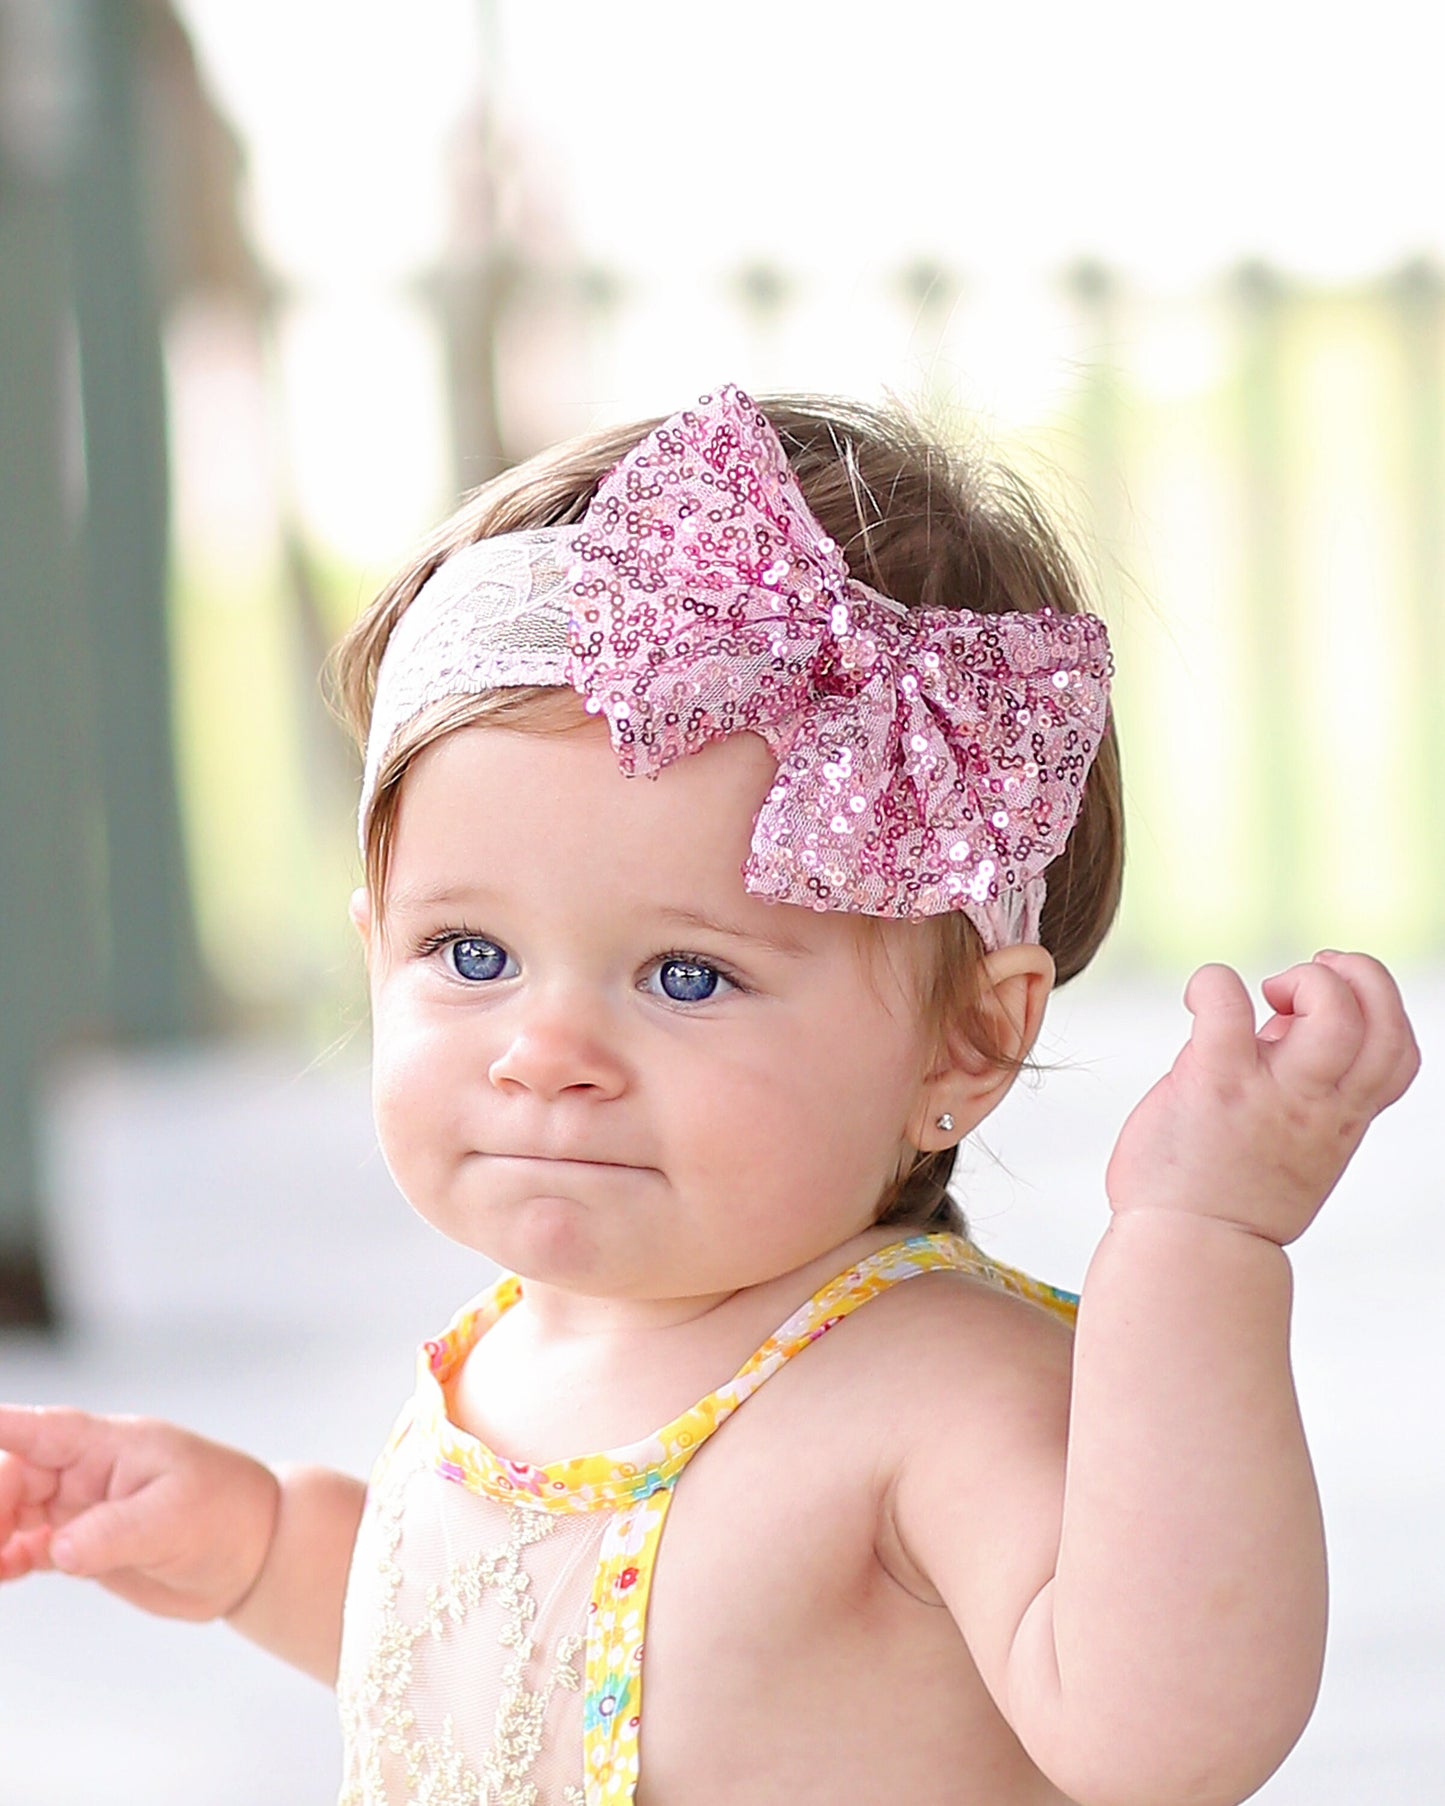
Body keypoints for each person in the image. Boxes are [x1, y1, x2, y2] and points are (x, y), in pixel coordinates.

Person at [0, 385, 1419, 1806]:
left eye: (685, 975)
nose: (542, 1048)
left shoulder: (935, 1388)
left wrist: (1198, 1249)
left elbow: (1167, 1733)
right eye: (470, 953)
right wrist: (254, 1545)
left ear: (962, 1048)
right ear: (374, 944)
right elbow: (506, 1669)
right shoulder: (507, 1354)